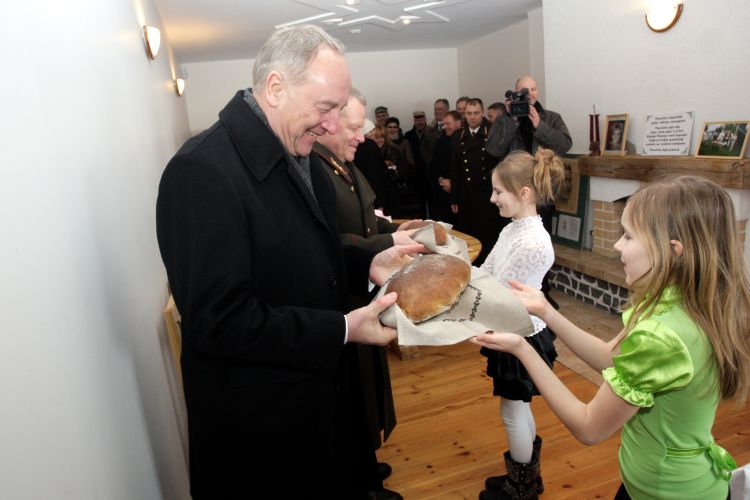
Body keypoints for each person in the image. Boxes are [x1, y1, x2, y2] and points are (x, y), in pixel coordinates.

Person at [156, 25, 424, 499]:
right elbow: (220, 321)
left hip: (316, 406)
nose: (333, 125)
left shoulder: (298, 155)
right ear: (276, 87)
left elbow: (300, 252)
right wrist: (342, 328)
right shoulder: (201, 171)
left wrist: (365, 262)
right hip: (263, 432)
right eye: (325, 107)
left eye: (339, 110)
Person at [473, 175, 750, 500]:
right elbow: (611, 358)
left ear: (673, 251)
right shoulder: (682, 303)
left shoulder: (661, 336)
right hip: (663, 481)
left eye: (628, 236)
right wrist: (546, 311)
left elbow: (589, 427)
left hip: (663, 491)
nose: (617, 245)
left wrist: (523, 348)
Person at [314, 88, 424, 500]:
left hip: (362, 291)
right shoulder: (314, 168)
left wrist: (397, 230)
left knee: (367, 387)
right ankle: (361, 480)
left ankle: (364, 459)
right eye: (354, 127)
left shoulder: (341, 163)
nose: (362, 136)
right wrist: (387, 242)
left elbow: (366, 221)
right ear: (328, 123)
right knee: (352, 393)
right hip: (342, 299)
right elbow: (328, 240)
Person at [472, 148, 564, 500]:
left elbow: (499, 292)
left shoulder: (532, 242)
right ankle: (525, 475)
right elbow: (487, 271)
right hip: (510, 329)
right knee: (516, 407)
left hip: (520, 335)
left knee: (513, 410)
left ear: (524, 193)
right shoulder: (513, 229)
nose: (492, 198)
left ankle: (522, 487)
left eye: (498, 191)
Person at [486, 75, 572, 307]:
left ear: (537, 91)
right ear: (514, 94)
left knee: (541, 239)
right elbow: (493, 149)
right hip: (513, 195)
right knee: (512, 243)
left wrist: (539, 126)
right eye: (524, 91)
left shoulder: (551, 118)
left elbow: (565, 145)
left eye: (533, 89)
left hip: (542, 192)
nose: (529, 95)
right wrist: (512, 121)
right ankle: (514, 288)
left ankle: (542, 290)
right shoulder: (503, 120)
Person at [450, 97, 504, 265]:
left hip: (487, 194)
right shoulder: (458, 136)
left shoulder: (492, 132)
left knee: (487, 234)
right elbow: (456, 169)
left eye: (476, 113)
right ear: (464, 115)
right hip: (466, 194)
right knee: (467, 235)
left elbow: (500, 165)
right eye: (469, 113)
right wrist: (454, 197)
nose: (472, 117)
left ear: (482, 113)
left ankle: (487, 268)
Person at [427, 110, 462, 223]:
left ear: (458, 123)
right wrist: (441, 180)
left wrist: (454, 185)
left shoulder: (465, 140)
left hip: (461, 195)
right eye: (443, 124)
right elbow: (433, 166)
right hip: (442, 194)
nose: (444, 127)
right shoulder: (440, 141)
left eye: (448, 124)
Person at [404, 110, 438, 218]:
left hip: (431, 174)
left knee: (434, 204)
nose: (419, 122)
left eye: (421, 119)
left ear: (425, 119)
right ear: (414, 121)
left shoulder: (433, 133)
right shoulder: (408, 135)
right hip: (417, 176)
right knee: (420, 205)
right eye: (417, 120)